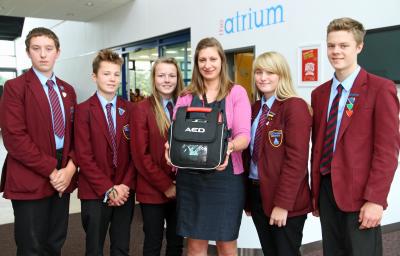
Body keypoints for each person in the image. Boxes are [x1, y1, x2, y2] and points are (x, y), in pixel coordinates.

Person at [311, 17, 400, 256]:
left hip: (362, 195)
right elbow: (318, 146)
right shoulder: (319, 94)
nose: (336, 51)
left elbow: (387, 151)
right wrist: (316, 193)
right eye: (331, 45)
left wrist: (376, 200)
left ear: (359, 47)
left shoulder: (380, 88)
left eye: (343, 45)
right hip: (327, 192)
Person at [166, 37, 251, 256]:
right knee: (195, 244)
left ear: (222, 61)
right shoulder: (186, 96)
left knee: (226, 243)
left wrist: (228, 149)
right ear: (196, 63)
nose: (207, 64)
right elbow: (175, 134)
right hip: (191, 178)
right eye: (202, 59)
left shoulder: (236, 93)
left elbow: (244, 136)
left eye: (213, 58)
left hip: (226, 178)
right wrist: (169, 148)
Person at [0, 27, 77, 255]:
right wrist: (53, 171)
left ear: (57, 52)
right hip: (30, 176)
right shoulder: (15, 88)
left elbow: (76, 136)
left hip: (62, 178)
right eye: (36, 49)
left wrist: (69, 170)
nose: (43, 55)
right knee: (31, 246)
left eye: (48, 49)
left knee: (55, 242)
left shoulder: (68, 90)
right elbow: (14, 138)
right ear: (28, 53)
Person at [243, 51, 312, 255]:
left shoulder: (294, 106)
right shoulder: (255, 108)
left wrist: (283, 204)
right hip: (257, 194)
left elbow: (297, 161)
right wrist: (248, 199)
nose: (263, 77)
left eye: (270, 72)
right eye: (259, 72)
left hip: (284, 199)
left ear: (282, 75)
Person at [74, 49, 135, 256]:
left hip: (125, 191)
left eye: (116, 74)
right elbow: (84, 156)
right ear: (95, 76)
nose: (112, 79)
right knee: (94, 249)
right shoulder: (83, 110)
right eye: (106, 73)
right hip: (94, 191)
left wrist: (124, 185)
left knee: (121, 247)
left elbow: (135, 154)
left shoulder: (130, 110)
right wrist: (109, 189)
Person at [131, 57, 184, 256]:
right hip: (152, 189)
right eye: (161, 75)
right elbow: (140, 156)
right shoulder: (141, 109)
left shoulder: (185, 106)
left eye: (172, 75)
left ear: (178, 78)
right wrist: (166, 186)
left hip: (181, 188)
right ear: (153, 79)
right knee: (153, 243)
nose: (167, 80)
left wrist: (178, 185)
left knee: (177, 243)